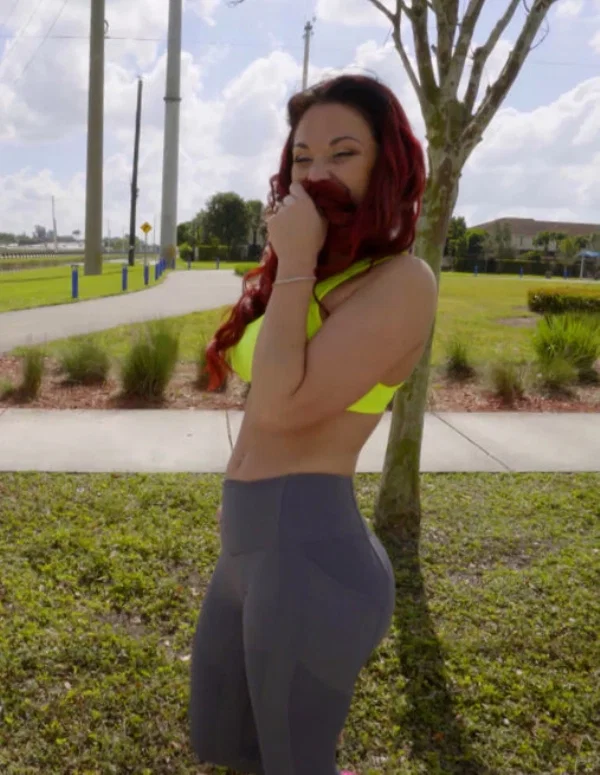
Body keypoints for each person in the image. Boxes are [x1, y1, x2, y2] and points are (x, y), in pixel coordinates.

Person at [189, 73, 436, 775]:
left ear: (386, 166)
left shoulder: (401, 282)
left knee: (294, 763)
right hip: (246, 551)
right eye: (302, 157)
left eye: (342, 153)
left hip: (312, 558)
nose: (316, 173)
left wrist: (295, 258)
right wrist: (295, 266)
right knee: (222, 744)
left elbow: (280, 409)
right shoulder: (311, 279)